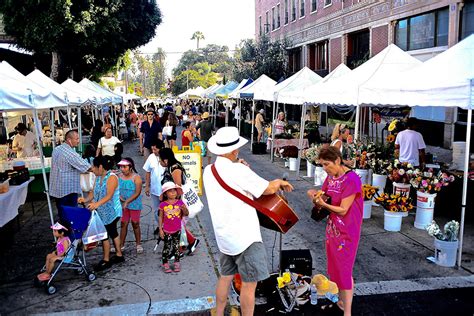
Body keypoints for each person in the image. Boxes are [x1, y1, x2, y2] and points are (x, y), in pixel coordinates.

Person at [203, 126, 294, 316]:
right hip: (245, 237)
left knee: (225, 278)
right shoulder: (238, 171)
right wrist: (279, 182)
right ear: (233, 150)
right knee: (249, 286)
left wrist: (240, 166)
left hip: (224, 236)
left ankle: (219, 313)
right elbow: (267, 189)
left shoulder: (209, 170)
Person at [307, 146, 363, 316]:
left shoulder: (352, 180)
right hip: (333, 229)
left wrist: (323, 204)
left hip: (348, 230)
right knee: (335, 268)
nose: (324, 168)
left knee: (344, 270)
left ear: (337, 160)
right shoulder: (331, 177)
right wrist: (315, 196)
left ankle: (347, 311)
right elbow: (324, 194)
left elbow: (344, 209)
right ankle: (341, 300)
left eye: (326, 164)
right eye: (322, 165)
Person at [79, 156, 124, 271]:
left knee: (106, 234)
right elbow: (92, 193)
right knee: (112, 232)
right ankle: (118, 255)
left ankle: (106, 260)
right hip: (102, 211)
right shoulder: (97, 177)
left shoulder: (112, 178)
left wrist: (96, 204)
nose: (92, 169)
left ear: (100, 167)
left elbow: (109, 196)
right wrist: (85, 200)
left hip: (112, 211)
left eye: (94, 166)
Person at [158, 148, 200, 255]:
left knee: (178, 225)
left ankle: (180, 250)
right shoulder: (172, 166)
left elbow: (177, 188)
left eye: (160, 159)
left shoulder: (175, 168)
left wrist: (174, 204)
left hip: (178, 202)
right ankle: (191, 241)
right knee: (179, 224)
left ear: (166, 160)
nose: (159, 161)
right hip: (173, 202)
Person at [49, 130, 91, 221]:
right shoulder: (69, 152)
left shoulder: (57, 149)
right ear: (69, 140)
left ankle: (63, 232)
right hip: (68, 189)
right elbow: (86, 166)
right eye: (76, 139)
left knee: (62, 213)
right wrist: (98, 170)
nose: (78, 141)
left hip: (57, 189)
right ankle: (71, 233)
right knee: (71, 215)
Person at [158, 182, 189, 273]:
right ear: (165, 194)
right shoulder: (163, 205)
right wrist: (160, 229)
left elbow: (186, 214)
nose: (173, 193)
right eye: (170, 191)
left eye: (174, 190)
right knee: (166, 247)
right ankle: (165, 263)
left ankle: (177, 262)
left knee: (176, 247)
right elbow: (160, 217)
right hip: (167, 230)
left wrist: (184, 209)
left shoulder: (180, 203)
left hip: (177, 229)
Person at [118, 158, 143, 254]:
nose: (122, 169)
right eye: (121, 167)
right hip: (124, 204)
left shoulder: (137, 178)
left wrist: (127, 201)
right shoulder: (119, 177)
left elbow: (137, 193)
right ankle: (121, 244)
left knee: (135, 223)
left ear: (130, 167)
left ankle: (138, 243)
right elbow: (116, 189)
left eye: (124, 167)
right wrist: (120, 197)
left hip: (134, 203)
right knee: (123, 223)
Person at [143, 139, 165, 228]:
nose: (153, 151)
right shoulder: (151, 157)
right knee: (157, 210)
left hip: (165, 190)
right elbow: (148, 172)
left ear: (161, 148)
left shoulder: (166, 155)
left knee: (166, 209)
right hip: (155, 189)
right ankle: (160, 226)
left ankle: (167, 226)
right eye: (152, 149)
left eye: (155, 149)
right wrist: (147, 186)